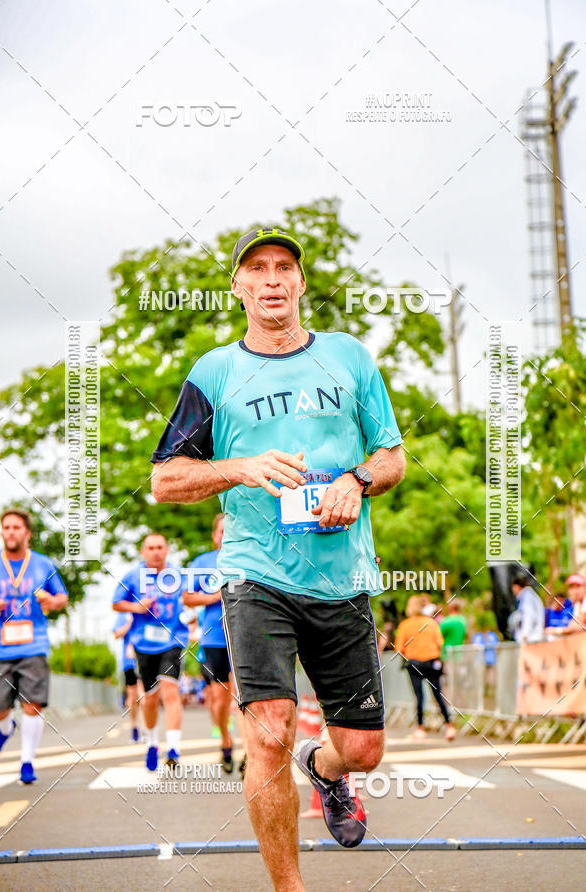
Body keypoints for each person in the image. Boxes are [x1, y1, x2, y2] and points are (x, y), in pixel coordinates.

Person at [150, 226, 406, 891]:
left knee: (363, 750)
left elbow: (392, 457)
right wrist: (238, 468)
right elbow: (166, 480)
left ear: (299, 284)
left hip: (342, 577)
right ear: (237, 287)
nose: (271, 279)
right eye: (256, 269)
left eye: (283, 268)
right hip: (254, 571)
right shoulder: (214, 372)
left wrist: (356, 480)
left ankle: (326, 771)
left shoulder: (349, 358)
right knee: (268, 731)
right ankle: (288, 888)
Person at [0, 509, 68, 783]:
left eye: (16, 527)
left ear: (27, 533)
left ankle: (27, 762)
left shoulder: (43, 564)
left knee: (32, 705)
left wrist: (52, 601)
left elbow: (62, 597)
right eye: (6, 527)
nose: (10, 532)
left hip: (34, 644)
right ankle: (4, 729)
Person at [112, 533, 190, 772]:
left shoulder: (178, 574)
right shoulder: (133, 576)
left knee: (171, 690)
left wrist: (191, 614)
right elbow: (116, 603)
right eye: (151, 548)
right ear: (143, 552)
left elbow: (188, 599)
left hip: (173, 640)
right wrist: (136, 606)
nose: (156, 551)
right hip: (143, 644)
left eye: (160, 547)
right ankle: (153, 743)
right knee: (150, 698)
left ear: (166, 550)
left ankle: (174, 749)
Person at [187, 513, 239, 774]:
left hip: (244, 635)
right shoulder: (202, 562)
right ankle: (226, 742)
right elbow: (186, 597)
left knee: (246, 697)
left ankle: (252, 752)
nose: (225, 535)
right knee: (219, 699)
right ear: (214, 535)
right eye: (222, 531)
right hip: (214, 638)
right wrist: (215, 596)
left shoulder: (248, 558)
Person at [395, 594, 456, 742]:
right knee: (437, 694)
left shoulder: (405, 625)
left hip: (414, 663)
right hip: (431, 662)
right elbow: (440, 643)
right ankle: (449, 725)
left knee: (419, 696)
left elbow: (399, 648)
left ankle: (420, 728)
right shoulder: (431, 623)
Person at [113, 612, 141, 742]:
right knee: (133, 697)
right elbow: (117, 634)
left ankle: (148, 729)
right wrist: (129, 623)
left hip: (146, 658)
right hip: (129, 662)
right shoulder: (124, 615)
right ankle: (135, 728)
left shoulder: (148, 609)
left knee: (145, 696)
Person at [509, 574, 544, 643]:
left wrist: (525, 634)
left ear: (516, 586)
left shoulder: (526, 596)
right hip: (533, 636)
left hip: (531, 638)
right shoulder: (529, 595)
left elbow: (528, 615)